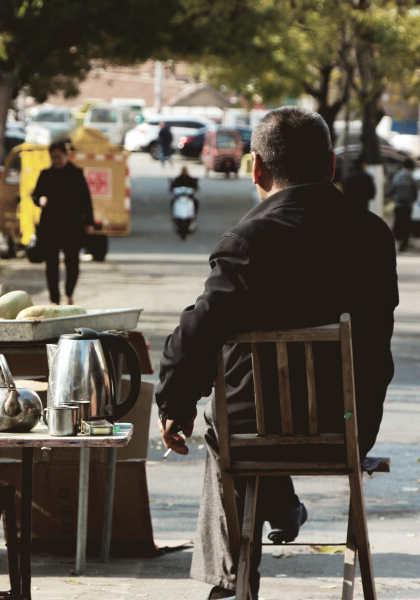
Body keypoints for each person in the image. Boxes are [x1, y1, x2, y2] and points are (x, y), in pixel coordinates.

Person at [155, 106, 398, 599]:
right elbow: (378, 341)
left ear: (257, 169)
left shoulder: (246, 242)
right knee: (256, 410)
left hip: (254, 431)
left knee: (229, 425)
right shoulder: (373, 236)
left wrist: (174, 406)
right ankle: (281, 503)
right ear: (331, 165)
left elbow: (197, 335)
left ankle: (231, 583)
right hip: (351, 427)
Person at [31, 142, 95, 305]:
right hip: (50, 226)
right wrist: (40, 200)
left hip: (72, 226)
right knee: (51, 264)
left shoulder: (76, 174)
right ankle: (54, 299)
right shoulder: (46, 174)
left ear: (66, 156)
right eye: (53, 157)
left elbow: (86, 200)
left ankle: (69, 293)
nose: (56, 160)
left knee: (72, 263)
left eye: (59, 157)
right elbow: (35, 195)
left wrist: (89, 222)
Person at [391, 158, 419, 251]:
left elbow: (392, 189)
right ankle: (405, 243)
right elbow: (415, 192)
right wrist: (413, 200)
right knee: (406, 225)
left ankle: (397, 241)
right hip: (408, 205)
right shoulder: (412, 178)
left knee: (398, 223)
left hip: (398, 204)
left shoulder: (397, 176)